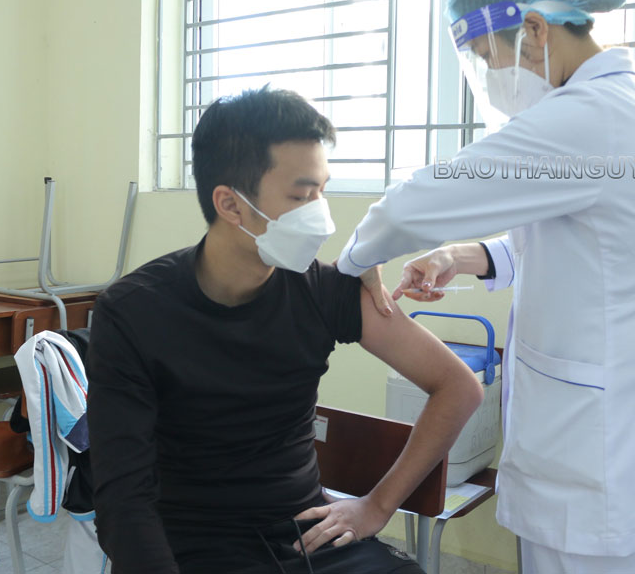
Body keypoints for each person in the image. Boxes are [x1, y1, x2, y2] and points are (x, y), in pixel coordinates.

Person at [337, 0, 635, 574]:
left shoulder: (590, 118)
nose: (491, 81)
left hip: (592, 477)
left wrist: (348, 265)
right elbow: (569, 247)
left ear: (534, 30)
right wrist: (462, 257)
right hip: (587, 456)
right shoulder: (605, 113)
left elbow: (419, 202)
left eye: (485, 57)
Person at [86, 86, 484, 573]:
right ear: (230, 205)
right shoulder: (133, 312)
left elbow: (458, 387)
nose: (320, 214)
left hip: (306, 534)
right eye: (301, 195)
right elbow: (123, 496)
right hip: (192, 543)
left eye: (322, 190)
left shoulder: (326, 289)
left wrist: (377, 506)